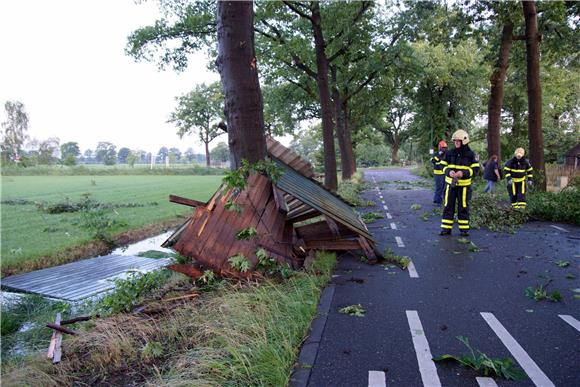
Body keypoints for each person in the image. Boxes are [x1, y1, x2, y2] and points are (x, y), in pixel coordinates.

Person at [439, 129, 480, 236]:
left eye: (458, 141)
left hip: (464, 186)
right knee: (448, 205)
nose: (456, 143)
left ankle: (464, 229)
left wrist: (463, 173)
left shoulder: (471, 154)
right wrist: (448, 171)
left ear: (464, 141)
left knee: (463, 207)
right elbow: (442, 165)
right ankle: (446, 228)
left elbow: (475, 169)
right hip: (450, 185)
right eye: (455, 141)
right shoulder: (449, 153)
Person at [431, 140, 448, 205]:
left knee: (444, 187)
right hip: (437, 173)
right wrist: (439, 156)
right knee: (439, 187)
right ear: (440, 147)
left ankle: (442, 200)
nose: (444, 149)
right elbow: (433, 160)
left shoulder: (446, 154)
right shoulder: (436, 154)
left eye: (445, 148)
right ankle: (437, 200)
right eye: (443, 147)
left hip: (443, 173)